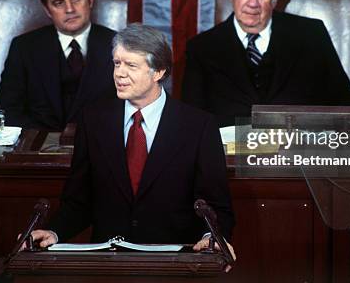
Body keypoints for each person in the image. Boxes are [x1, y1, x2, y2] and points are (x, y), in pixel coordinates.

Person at [29, 24, 235, 258]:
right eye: (117, 63)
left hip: (174, 262)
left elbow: (216, 207)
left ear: (158, 72)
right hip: (109, 261)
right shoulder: (93, 120)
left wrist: (211, 239)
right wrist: (54, 232)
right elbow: (78, 201)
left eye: (131, 65)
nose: (119, 73)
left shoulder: (199, 126)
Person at [182, 0, 350, 127]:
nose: (253, 3)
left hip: (300, 153)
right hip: (228, 155)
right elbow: (192, 123)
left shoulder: (311, 35)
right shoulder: (202, 49)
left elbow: (348, 105)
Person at [0, 0, 116, 131]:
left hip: (101, 147)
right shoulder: (24, 47)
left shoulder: (118, 44)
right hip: (39, 150)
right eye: (59, 2)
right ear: (47, 10)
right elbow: (8, 111)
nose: (70, 9)